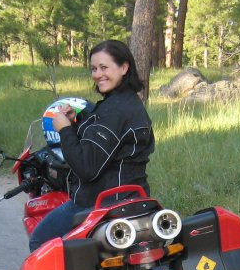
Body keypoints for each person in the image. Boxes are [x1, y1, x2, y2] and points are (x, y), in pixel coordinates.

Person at [27, 39, 155, 251]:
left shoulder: (115, 110)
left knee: (40, 241)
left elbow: (87, 167)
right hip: (134, 197)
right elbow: (110, 144)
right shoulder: (127, 103)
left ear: (124, 67)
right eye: (94, 69)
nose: (97, 74)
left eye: (104, 67)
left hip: (101, 203)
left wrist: (64, 130)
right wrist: (77, 122)